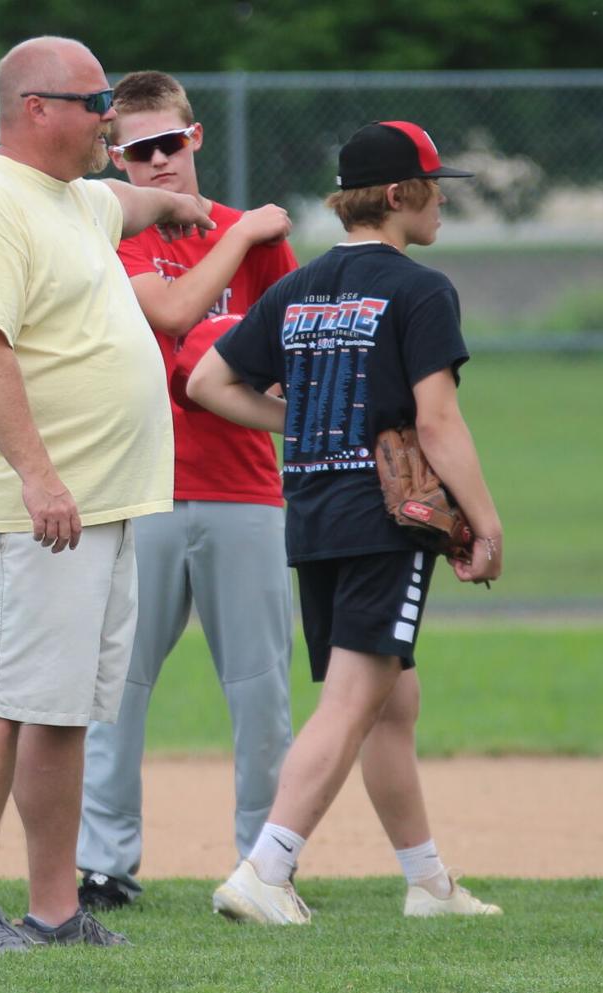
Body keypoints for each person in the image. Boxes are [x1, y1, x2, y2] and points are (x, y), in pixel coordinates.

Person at [0, 37, 214, 952]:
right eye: (94, 105)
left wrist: (173, 202)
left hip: (100, 506)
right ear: (37, 110)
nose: (109, 120)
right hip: (28, 514)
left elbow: (121, 198)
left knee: (62, 712)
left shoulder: (74, 198)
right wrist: (38, 475)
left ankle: (53, 910)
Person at [188, 121, 504, 924]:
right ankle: (268, 866)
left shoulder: (300, 287)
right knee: (352, 701)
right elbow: (436, 423)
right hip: (383, 523)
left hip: (317, 516)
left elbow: (208, 381)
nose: (442, 201)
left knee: (387, 701)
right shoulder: (421, 288)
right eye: (435, 185)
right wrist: (485, 518)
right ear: (399, 196)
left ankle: (428, 883)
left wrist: (301, 427)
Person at [74, 70, 297, 913]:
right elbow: (169, 316)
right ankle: (104, 861)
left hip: (247, 492)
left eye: (171, 142)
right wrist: (234, 246)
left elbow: (298, 352)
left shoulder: (260, 238)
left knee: (261, 692)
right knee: (115, 691)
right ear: (116, 160)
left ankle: (264, 862)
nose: (159, 161)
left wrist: (243, 243)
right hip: (146, 490)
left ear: (195, 138)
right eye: (138, 150)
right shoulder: (116, 236)